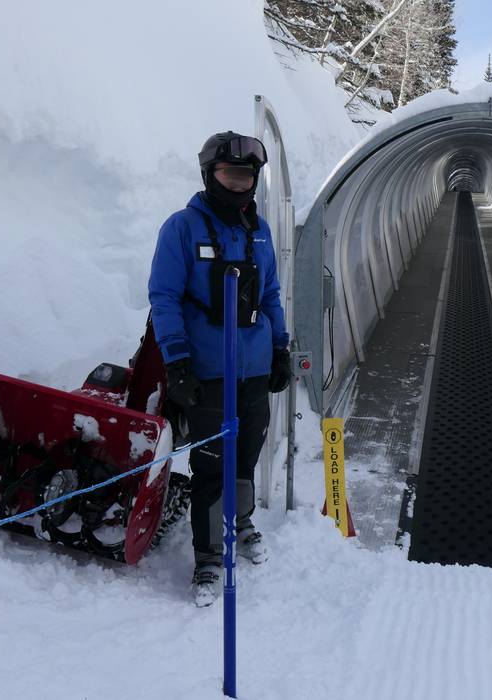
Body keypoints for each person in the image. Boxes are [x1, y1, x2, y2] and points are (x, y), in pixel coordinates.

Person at [148, 131, 291, 606]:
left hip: (253, 368)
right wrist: (177, 362)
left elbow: (271, 295)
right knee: (211, 464)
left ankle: (241, 520)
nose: (238, 183)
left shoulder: (259, 230)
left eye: (246, 175)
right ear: (210, 175)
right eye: (229, 174)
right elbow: (164, 297)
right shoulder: (182, 228)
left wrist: (280, 348)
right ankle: (208, 555)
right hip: (208, 371)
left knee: (246, 455)